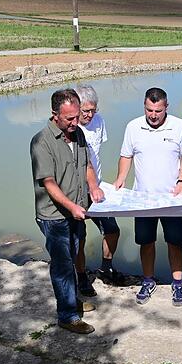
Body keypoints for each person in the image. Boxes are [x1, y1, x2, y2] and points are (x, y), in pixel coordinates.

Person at [30, 88, 104, 335]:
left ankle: (72, 300)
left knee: (72, 257)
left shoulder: (78, 134)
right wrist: (72, 207)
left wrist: (93, 188)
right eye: (69, 118)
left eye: (77, 116)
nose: (76, 122)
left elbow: (87, 166)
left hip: (77, 211)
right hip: (55, 216)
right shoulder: (42, 142)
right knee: (62, 265)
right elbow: (48, 182)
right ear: (55, 115)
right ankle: (68, 316)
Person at [114, 87, 182, 306]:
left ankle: (178, 284)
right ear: (144, 106)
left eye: (158, 110)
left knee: (175, 242)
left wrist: (181, 181)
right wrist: (121, 178)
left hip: (171, 199)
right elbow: (126, 155)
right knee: (146, 242)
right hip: (143, 200)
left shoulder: (179, 126)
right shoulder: (133, 127)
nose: (154, 115)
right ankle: (148, 280)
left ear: (166, 107)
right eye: (149, 110)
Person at [74, 85, 122, 293]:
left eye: (93, 110)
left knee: (112, 230)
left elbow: (96, 156)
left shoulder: (99, 121)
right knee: (79, 236)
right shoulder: (71, 127)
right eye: (85, 111)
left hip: (98, 188)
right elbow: (83, 162)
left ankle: (106, 267)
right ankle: (81, 275)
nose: (89, 115)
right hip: (76, 191)